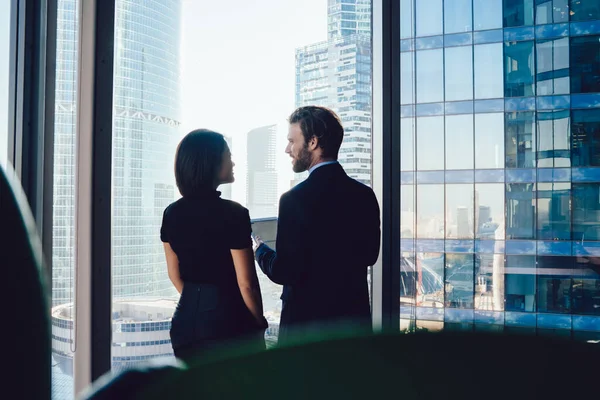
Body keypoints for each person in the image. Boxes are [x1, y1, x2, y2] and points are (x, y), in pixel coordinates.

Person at [253, 106, 381, 345]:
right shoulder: (365, 196)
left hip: (305, 334)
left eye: (292, 141)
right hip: (352, 330)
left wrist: (261, 251)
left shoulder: (294, 200)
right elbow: (370, 255)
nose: (287, 149)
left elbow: (285, 271)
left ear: (312, 142)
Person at [161, 129, 267, 361]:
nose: (233, 162)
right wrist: (258, 321)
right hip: (229, 323)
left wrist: (197, 303)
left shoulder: (171, 213)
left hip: (185, 322)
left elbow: (174, 274)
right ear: (210, 162)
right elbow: (246, 283)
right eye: (228, 156)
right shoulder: (234, 213)